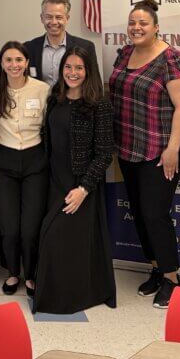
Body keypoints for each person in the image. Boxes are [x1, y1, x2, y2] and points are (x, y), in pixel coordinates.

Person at [109, 0, 180, 309]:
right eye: (132, 23)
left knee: (155, 215)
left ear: (156, 27)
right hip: (128, 147)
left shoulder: (172, 59)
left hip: (160, 151)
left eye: (143, 23)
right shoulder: (125, 53)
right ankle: (157, 268)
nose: (137, 27)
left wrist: (173, 149)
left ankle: (173, 279)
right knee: (141, 214)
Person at [33, 47, 116, 314]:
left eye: (79, 68)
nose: (73, 73)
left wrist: (84, 189)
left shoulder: (99, 103)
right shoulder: (55, 98)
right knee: (51, 235)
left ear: (88, 71)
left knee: (59, 236)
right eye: (68, 67)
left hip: (81, 183)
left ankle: (72, 296)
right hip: (53, 181)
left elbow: (105, 153)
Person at [0, 42, 49, 296]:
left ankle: (31, 275)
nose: (14, 65)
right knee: (9, 227)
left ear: (26, 62)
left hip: (35, 161)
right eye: (8, 60)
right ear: (1, 64)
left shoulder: (42, 89)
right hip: (5, 162)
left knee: (30, 228)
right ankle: (13, 273)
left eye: (19, 60)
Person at [23, 0, 98, 86]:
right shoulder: (28, 48)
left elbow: (94, 83)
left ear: (67, 18)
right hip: (41, 100)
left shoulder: (86, 47)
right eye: (49, 17)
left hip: (75, 100)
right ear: (42, 18)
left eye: (59, 17)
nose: (54, 22)